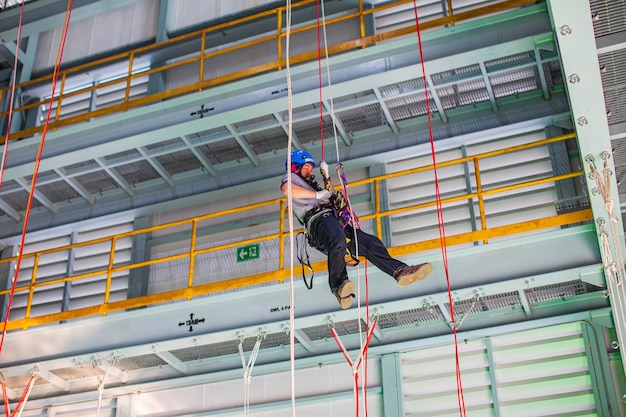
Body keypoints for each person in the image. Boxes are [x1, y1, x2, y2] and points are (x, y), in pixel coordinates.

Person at [280, 149, 433, 309]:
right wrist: (318, 196)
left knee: (369, 243)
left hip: (332, 222)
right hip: (318, 221)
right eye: (306, 167)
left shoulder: (312, 185)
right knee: (337, 239)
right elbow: (286, 189)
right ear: (294, 167)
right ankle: (338, 285)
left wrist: (326, 177)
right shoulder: (291, 178)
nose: (310, 170)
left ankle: (399, 270)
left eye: (311, 168)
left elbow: (329, 196)